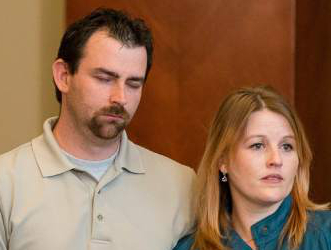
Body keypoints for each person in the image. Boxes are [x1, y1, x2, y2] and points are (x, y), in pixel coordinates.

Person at [0, 8, 195, 250]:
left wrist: (228, 177)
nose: (120, 97)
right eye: (105, 78)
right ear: (63, 76)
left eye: (133, 83)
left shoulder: (183, 184)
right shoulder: (6, 181)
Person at [173, 86, 331, 250]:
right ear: (223, 161)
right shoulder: (190, 247)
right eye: (258, 145)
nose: (276, 159)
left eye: (287, 146)